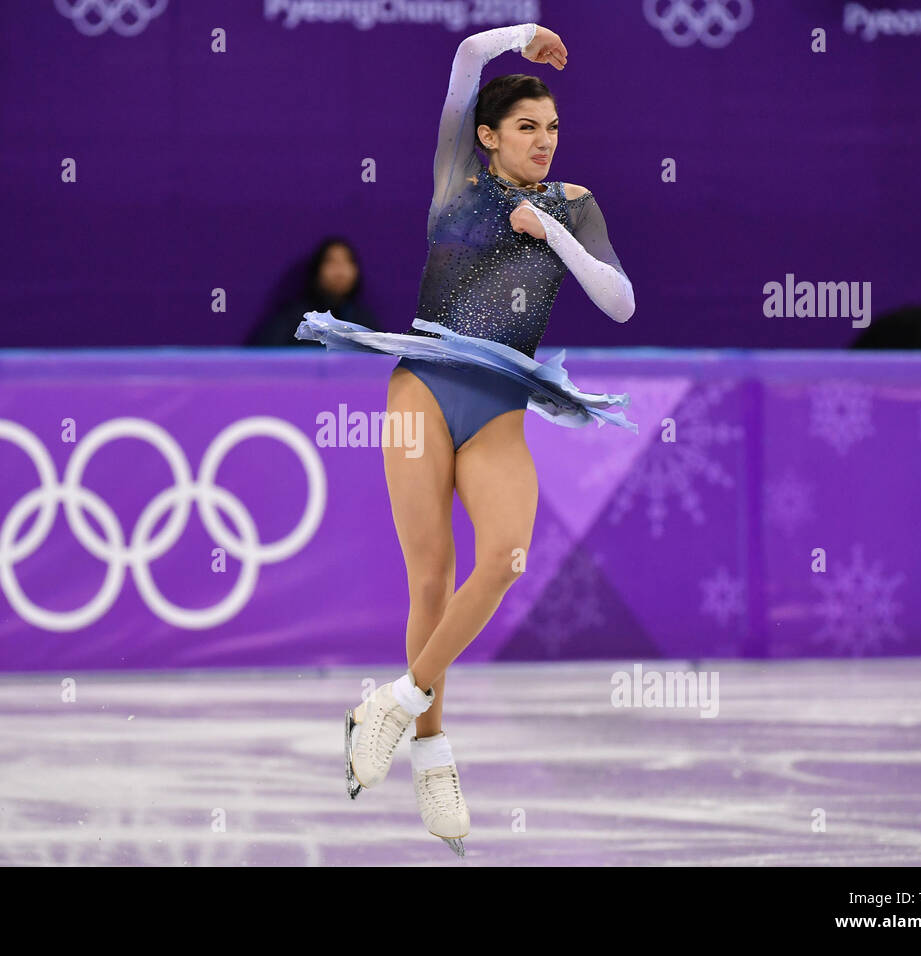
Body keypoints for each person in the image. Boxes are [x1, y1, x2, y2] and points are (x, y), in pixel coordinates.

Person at [301, 22, 637, 855]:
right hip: (423, 386)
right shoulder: (456, 177)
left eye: (553, 128)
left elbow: (620, 302)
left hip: (499, 406)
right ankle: (433, 758)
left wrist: (550, 231)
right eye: (527, 127)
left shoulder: (575, 205)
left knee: (503, 560)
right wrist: (522, 31)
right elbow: (463, 63)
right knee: (431, 577)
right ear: (488, 138)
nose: (544, 142)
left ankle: (392, 704)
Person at [245, 238, 382, 345]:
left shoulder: (363, 321)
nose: (340, 271)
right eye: (331, 261)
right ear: (317, 271)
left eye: (347, 261)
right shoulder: (295, 318)